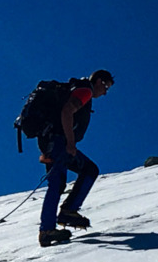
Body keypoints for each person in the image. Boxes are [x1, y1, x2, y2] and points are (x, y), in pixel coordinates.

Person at [37, 69, 114, 247]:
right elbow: (67, 111)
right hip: (59, 142)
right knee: (62, 182)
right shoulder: (85, 90)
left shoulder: (77, 88)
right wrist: (70, 142)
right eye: (106, 86)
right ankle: (51, 226)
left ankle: (62, 216)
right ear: (99, 81)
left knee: (81, 173)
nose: (105, 92)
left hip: (53, 142)